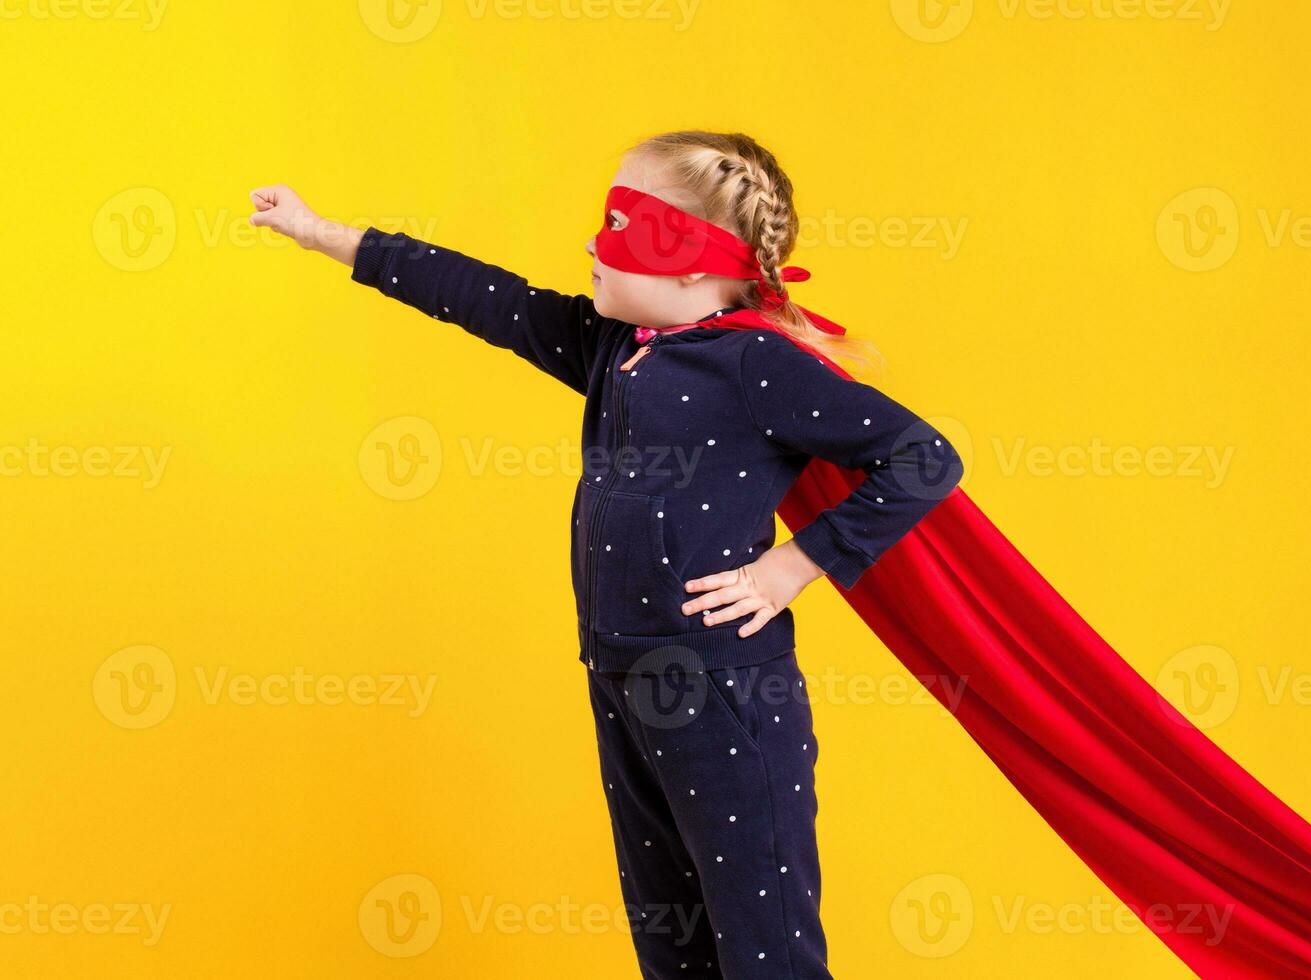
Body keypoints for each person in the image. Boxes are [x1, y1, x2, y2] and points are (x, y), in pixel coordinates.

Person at [247, 129, 965, 979]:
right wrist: (325, 234)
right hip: (621, 682)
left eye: (623, 224)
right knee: (673, 951)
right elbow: (483, 296)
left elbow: (924, 457)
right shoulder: (613, 346)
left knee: (765, 958)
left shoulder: (755, 365)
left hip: (724, 700)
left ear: (696, 264)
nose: (592, 242)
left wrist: (789, 569)